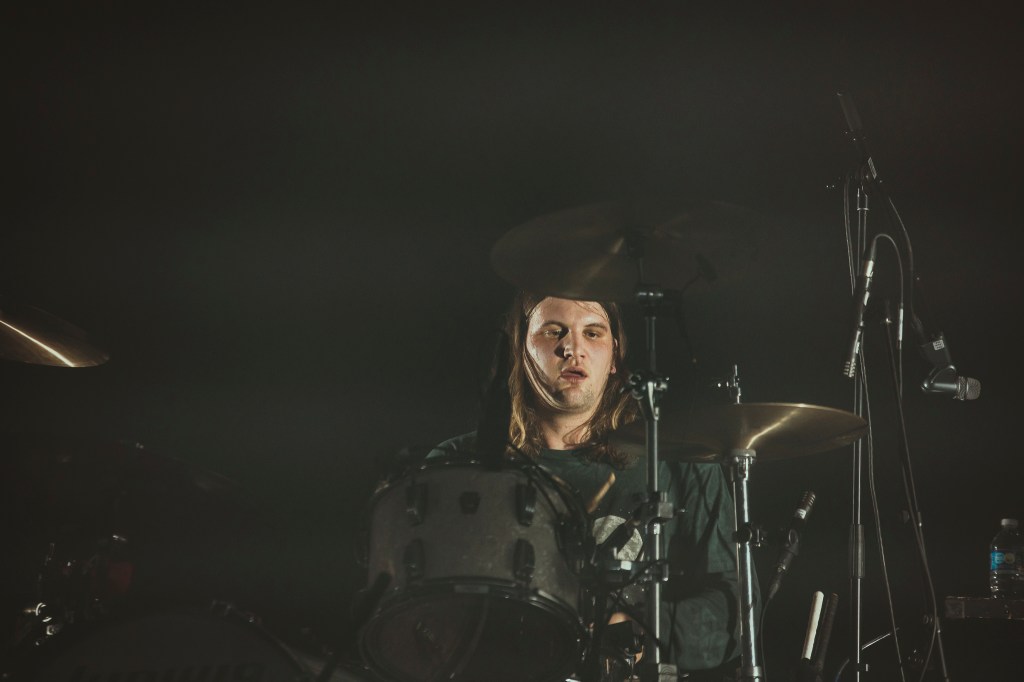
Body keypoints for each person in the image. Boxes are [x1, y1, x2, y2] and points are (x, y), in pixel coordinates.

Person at [430, 291, 742, 680]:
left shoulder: (682, 462)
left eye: (593, 333)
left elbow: (737, 607)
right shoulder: (457, 465)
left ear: (615, 356)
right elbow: (416, 606)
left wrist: (637, 625)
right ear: (520, 351)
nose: (572, 348)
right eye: (553, 332)